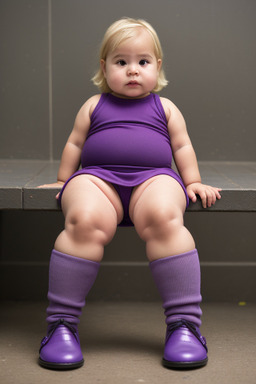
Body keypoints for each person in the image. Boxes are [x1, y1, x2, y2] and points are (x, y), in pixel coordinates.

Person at [38, 17, 221, 370]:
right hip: (96, 179)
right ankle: (61, 325)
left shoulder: (165, 108)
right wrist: (64, 181)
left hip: (154, 179)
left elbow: (182, 147)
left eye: (143, 62)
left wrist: (193, 180)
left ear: (158, 67)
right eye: (121, 62)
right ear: (104, 68)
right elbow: (75, 143)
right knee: (84, 219)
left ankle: (185, 325)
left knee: (166, 217)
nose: (133, 71)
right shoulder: (93, 105)